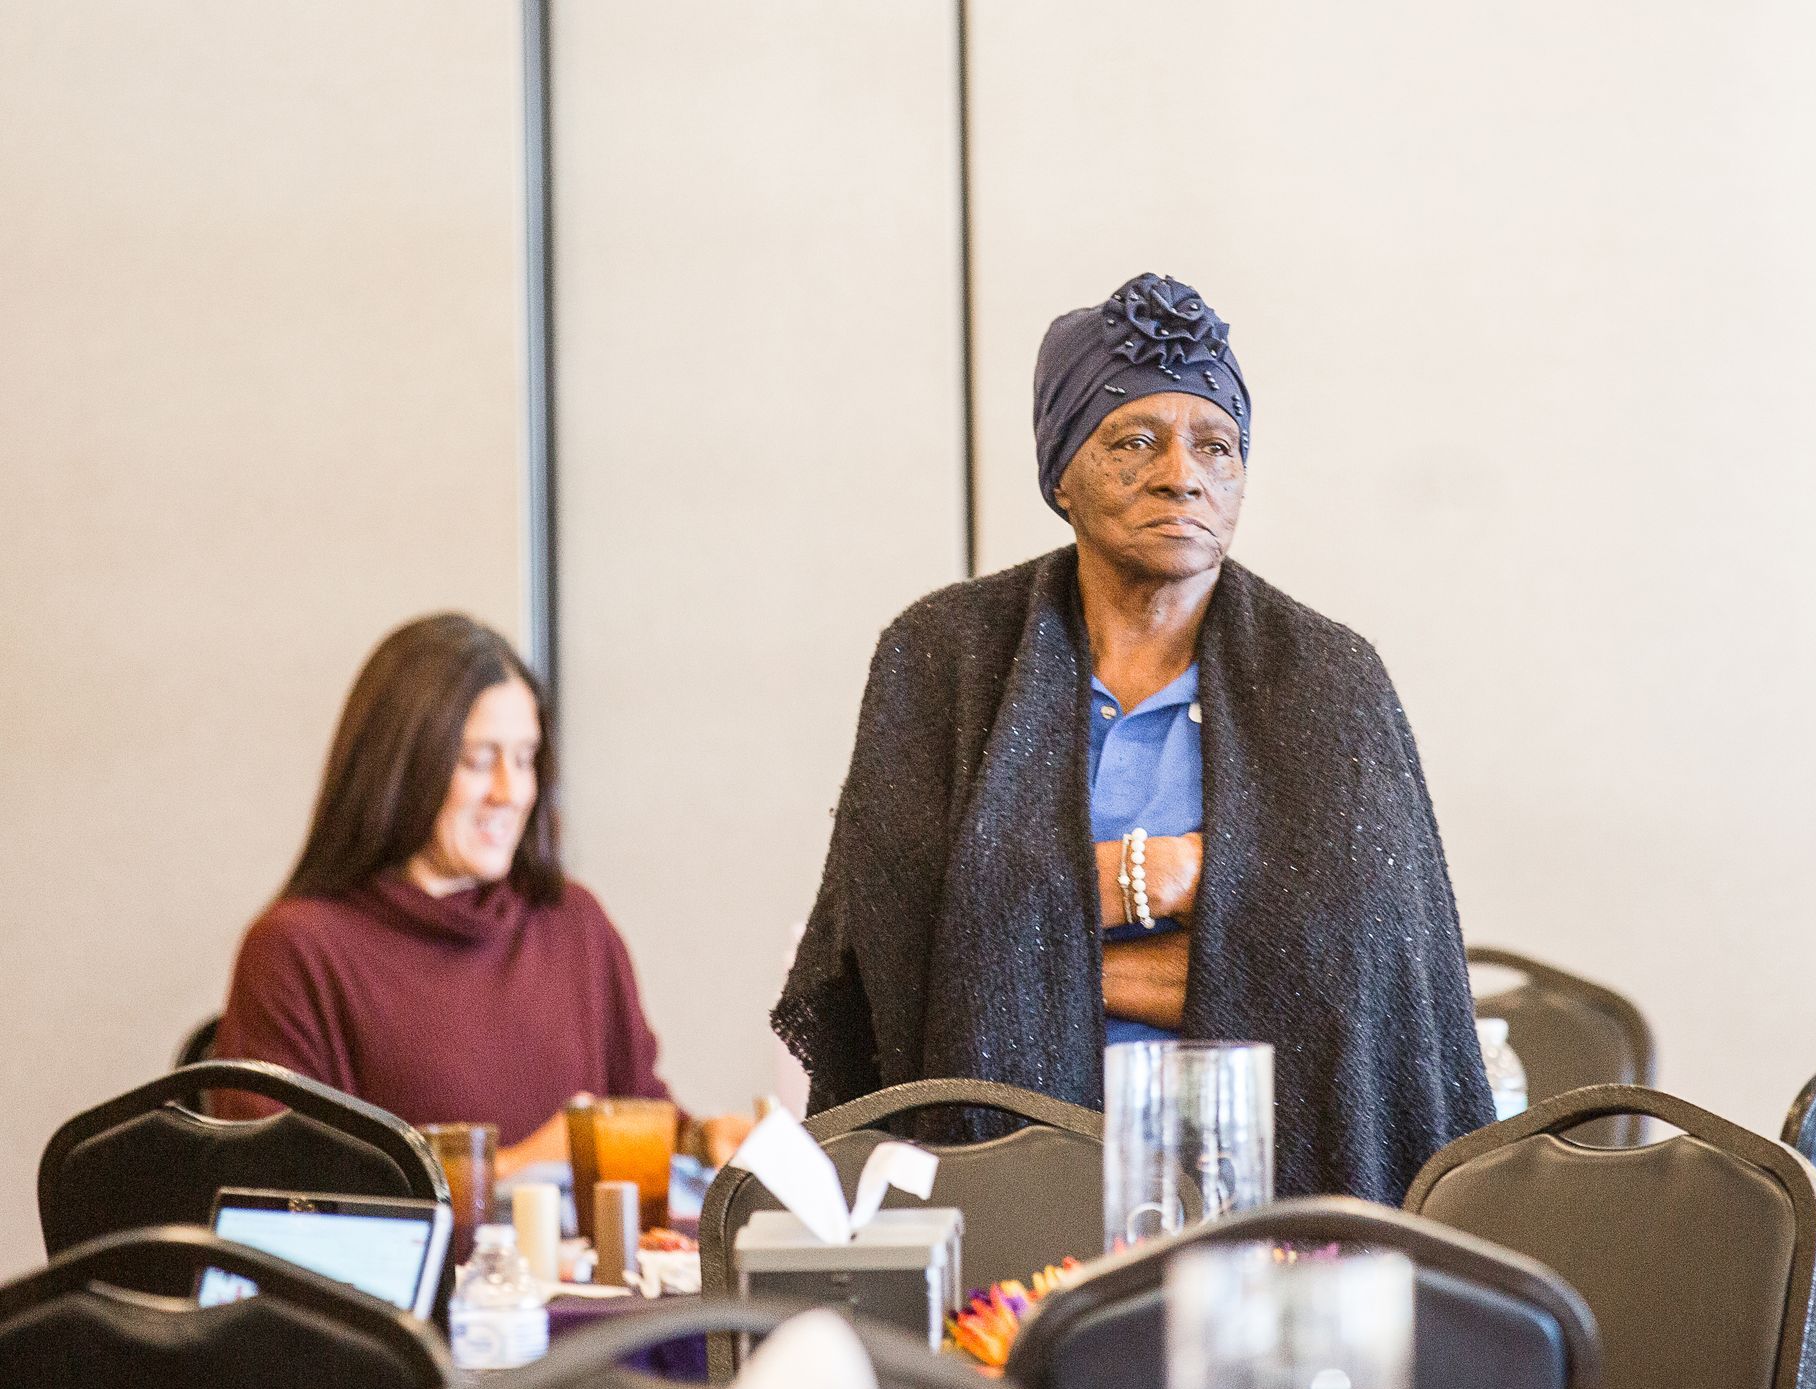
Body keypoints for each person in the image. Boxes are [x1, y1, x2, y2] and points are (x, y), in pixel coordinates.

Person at [774, 272, 1493, 1203]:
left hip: (1269, 1190)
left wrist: (1022, 958)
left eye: (1216, 445)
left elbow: (1349, 997)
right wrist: (1168, 876)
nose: (1181, 473)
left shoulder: (1332, 683)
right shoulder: (941, 661)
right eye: (1135, 440)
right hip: (996, 1193)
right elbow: (900, 968)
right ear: (1061, 470)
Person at [216, 614, 670, 1177]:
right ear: (402, 768)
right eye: (479, 761)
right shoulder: (297, 949)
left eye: (526, 759)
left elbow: (645, 1121)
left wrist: (707, 1144)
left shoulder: (574, 923)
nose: (511, 792)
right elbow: (283, 1202)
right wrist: (513, 1170)